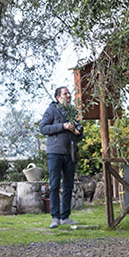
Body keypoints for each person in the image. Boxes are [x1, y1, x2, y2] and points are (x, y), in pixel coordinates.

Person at [38, 85, 83, 228]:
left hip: (69, 153)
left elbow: (79, 132)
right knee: (55, 186)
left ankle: (65, 217)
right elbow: (43, 128)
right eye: (65, 93)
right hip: (55, 154)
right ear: (58, 97)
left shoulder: (71, 111)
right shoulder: (51, 110)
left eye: (69, 93)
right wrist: (62, 126)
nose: (69, 95)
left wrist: (78, 132)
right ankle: (55, 218)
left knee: (68, 186)